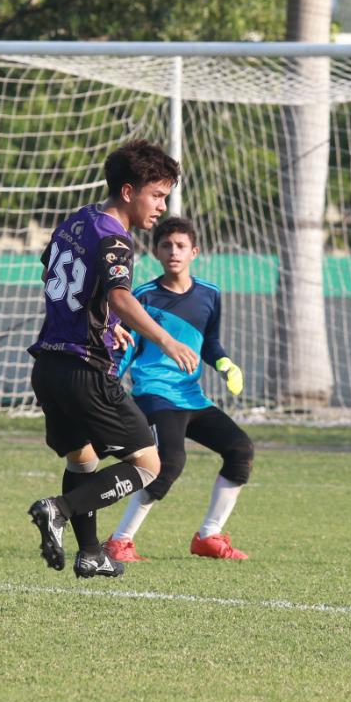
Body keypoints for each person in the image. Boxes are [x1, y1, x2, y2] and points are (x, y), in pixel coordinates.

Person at [24, 140, 199, 579]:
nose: (161, 207)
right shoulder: (115, 239)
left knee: (82, 459)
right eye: (156, 195)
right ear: (128, 191)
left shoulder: (76, 221)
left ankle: (90, 554)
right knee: (148, 465)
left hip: (48, 366)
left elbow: (55, 273)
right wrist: (165, 341)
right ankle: (58, 509)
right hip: (86, 370)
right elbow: (120, 296)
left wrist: (101, 321)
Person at [106, 216, 254, 562]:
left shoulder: (210, 294)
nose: (174, 251)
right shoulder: (142, 296)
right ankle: (119, 541)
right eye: (166, 245)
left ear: (194, 252)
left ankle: (209, 536)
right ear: (156, 252)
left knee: (240, 449)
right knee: (169, 462)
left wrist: (225, 364)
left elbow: (210, 342)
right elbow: (126, 349)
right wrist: (109, 384)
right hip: (154, 393)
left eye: (181, 246)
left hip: (192, 396)